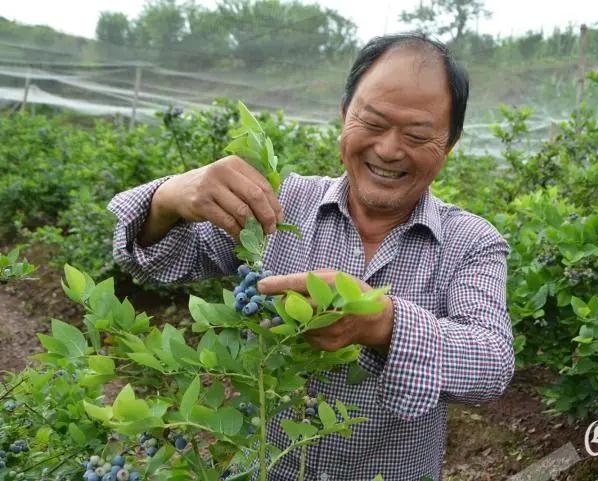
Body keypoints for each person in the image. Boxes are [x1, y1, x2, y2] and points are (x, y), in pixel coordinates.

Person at [108, 32, 515, 481]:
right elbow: (150, 259)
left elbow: (491, 362)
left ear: (450, 145)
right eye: (373, 123)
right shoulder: (276, 204)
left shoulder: (471, 241)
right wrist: (169, 198)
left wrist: (381, 323)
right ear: (344, 117)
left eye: (417, 135)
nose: (388, 149)